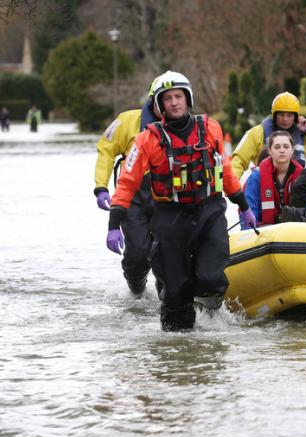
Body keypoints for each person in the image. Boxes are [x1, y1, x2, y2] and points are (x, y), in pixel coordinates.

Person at [106, 71, 257, 331]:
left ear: (188, 99)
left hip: (209, 212)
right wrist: (113, 224)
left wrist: (243, 205)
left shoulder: (212, 129)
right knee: (175, 293)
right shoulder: (147, 140)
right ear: (159, 105)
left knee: (210, 278)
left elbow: (226, 171)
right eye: (167, 99)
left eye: (178, 96)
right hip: (169, 217)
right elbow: (127, 183)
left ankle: (211, 319)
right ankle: (178, 352)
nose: (174, 102)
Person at [94, 77, 161, 294]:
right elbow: (106, 150)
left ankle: (167, 292)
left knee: (167, 250)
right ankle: (136, 286)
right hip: (134, 197)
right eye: (164, 99)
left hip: (166, 194)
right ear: (154, 100)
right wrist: (101, 187)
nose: (171, 104)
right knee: (138, 252)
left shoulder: (182, 126)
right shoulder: (127, 120)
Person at [230, 92, 306, 179]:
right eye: (281, 115)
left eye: (289, 115)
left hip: (295, 187)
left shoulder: (304, 134)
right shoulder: (256, 133)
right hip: (265, 186)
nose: (285, 119)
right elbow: (238, 160)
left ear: (296, 117)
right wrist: (232, 186)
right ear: (274, 115)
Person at [241, 130, 306, 228]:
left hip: (296, 231)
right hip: (264, 234)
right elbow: (249, 210)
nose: (282, 150)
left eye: (286, 146)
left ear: (292, 150)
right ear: (270, 150)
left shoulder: (303, 177)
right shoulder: (256, 177)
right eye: (277, 147)